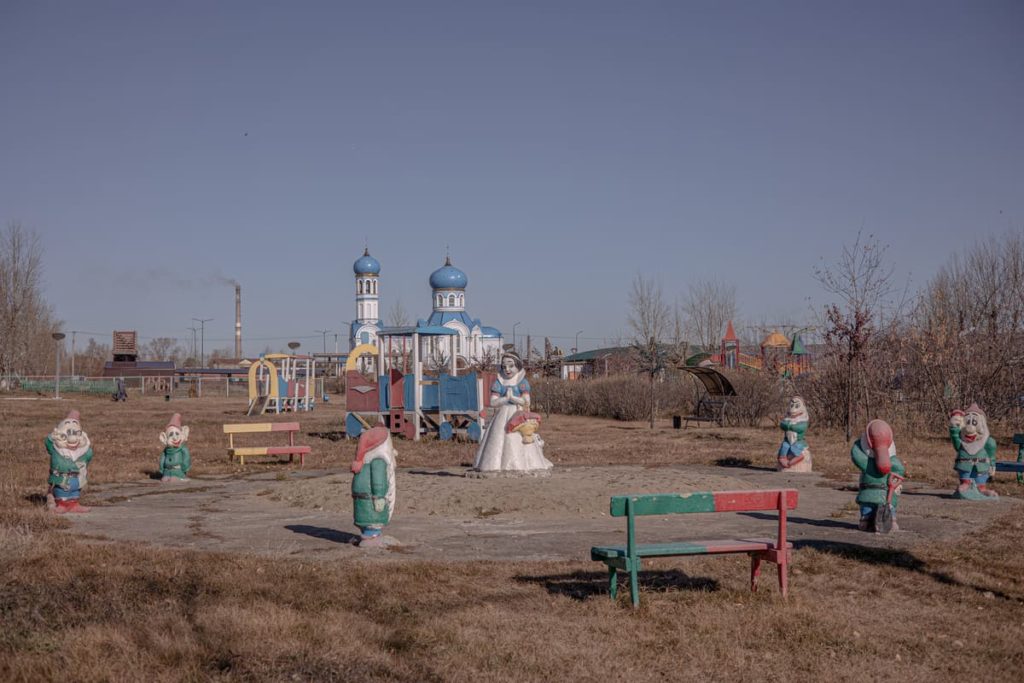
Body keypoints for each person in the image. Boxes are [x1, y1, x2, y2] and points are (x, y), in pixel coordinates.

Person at [473, 351, 552, 472]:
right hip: (502, 415)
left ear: (518, 366)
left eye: (511, 365)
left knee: (519, 438)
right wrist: (505, 399)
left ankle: (522, 463)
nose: (507, 369)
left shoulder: (521, 382)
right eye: (504, 366)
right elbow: (493, 402)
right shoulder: (499, 382)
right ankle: (494, 464)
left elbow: (526, 401)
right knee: (498, 438)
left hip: (517, 414)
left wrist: (513, 398)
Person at [850, 419, 905, 533]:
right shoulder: (893, 461)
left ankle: (866, 519)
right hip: (885, 493)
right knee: (888, 505)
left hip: (869, 491)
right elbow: (899, 469)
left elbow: (855, 454)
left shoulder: (865, 463)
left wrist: (859, 443)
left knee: (868, 505)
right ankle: (890, 519)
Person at [351, 426, 397, 547]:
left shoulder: (365, 461)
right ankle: (372, 536)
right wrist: (379, 496)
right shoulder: (378, 461)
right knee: (373, 519)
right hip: (371, 500)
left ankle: (368, 534)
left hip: (362, 499)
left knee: (365, 517)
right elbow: (378, 482)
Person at [45, 410, 94, 513]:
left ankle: (74, 504)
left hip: (76, 478)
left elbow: (88, 456)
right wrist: (58, 431)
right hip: (62, 478)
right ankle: (61, 504)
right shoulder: (57, 449)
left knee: (75, 491)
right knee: (62, 491)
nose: (72, 438)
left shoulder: (82, 451)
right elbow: (48, 440)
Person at [949, 404, 998, 499]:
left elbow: (991, 452)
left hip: (982, 464)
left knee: (981, 474)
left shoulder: (986, 441)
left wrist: (992, 464)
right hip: (964, 462)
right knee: (964, 471)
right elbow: (957, 444)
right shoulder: (962, 442)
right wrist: (954, 429)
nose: (969, 429)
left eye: (974, 422)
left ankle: (982, 488)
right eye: (967, 422)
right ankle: (965, 483)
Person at [158, 413, 192, 481]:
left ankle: (178, 477)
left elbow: (186, 458)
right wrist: (161, 469)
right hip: (166, 471)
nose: (175, 437)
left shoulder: (183, 449)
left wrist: (184, 468)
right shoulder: (166, 450)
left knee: (174, 479)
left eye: (177, 434)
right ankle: (167, 476)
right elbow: (162, 459)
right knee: (164, 479)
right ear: (165, 438)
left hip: (178, 471)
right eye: (171, 434)